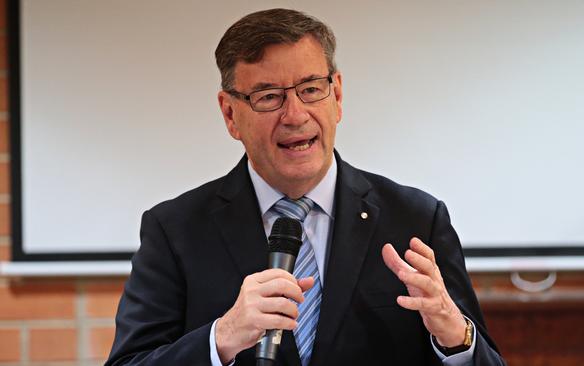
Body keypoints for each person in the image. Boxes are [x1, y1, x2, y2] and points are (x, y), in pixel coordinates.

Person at [107, 8, 505, 366]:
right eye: (268, 97)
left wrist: (456, 336)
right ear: (230, 114)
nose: (295, 115)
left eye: (311, 89)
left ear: (338, 95)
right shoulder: (175, 230)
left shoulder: (417, 219)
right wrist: (222, 337)